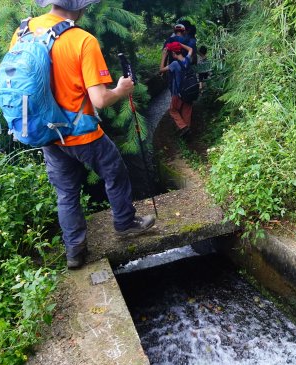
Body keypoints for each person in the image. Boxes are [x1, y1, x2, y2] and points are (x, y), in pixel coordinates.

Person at [12, 0, 155, 269]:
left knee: (66, 193)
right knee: (114, 171)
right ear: (80, 7)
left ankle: (75, 251)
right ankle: (124, 222)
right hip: (79, 132)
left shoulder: (24, 31)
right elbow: (100, 100)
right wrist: (121, 90)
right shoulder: (82, 40)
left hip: (45, 131)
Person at [160, 41, 193, 136]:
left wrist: (164, 56)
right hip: (189, 90)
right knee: (186, 111)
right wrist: (180, 44)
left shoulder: (174, 64)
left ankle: (183, 127)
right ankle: (187, 131)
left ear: (174, 53)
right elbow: (190, 49)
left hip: (178, 92)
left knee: (173, 110)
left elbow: (161, 69)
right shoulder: (187, 60)